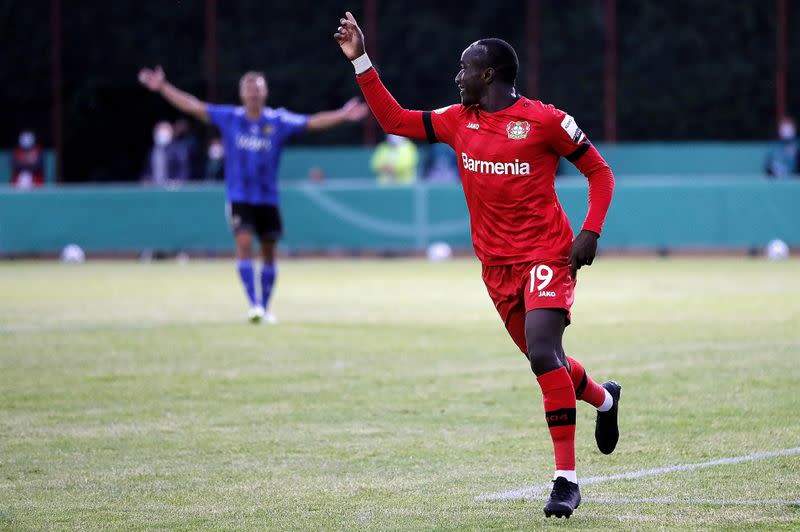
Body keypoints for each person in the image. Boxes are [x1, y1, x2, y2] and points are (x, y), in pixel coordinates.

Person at [335, 13, 619, 518]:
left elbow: (599, 171)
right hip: (495, 266)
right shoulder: (456, 120)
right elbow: (396, 120)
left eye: (465, 68)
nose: (458, 75)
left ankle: (566, 481)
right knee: (548, 361)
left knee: (540, 352)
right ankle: (603, 399)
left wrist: (590, 231)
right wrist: (360, 59)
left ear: (489, 75)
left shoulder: (546, 121)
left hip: (547, 255)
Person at [138, 66, 369, 322]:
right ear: (242, 94)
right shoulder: (230, 118)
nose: (253, 93)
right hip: (239, 197)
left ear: (265, 92)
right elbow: (193, 106)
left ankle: (266, 306)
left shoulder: (277, 122)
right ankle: (254, 304)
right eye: (249, 89)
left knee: (269, 252)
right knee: (245, 244)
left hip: (268, 198)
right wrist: (163, 87)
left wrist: (343, 115)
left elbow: (311, 122)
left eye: (257, 89)